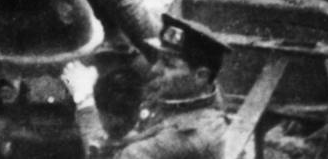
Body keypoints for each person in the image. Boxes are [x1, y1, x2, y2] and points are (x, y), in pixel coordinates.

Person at [62, 15, 228, 159]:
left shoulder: (184, 138)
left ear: (200, 75)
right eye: (160, 59)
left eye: (168, 64)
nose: (156, 69)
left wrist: (84, 100)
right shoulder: (205, 92)